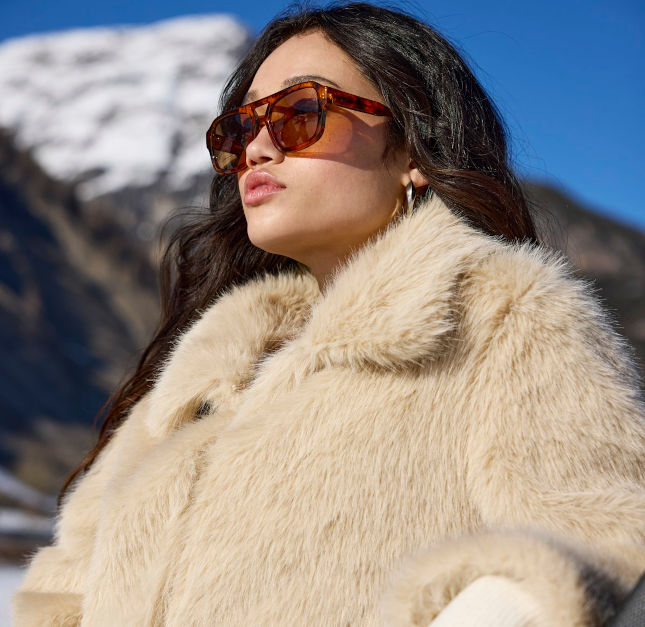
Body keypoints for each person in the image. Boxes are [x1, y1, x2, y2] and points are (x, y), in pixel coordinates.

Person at [13, 3, 645, 625]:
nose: (257, 148)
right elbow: (64, 594)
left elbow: (605, 549)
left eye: (300, 113)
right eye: (240, 129)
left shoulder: (501, 318)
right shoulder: (195, 383)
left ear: (411, 150)